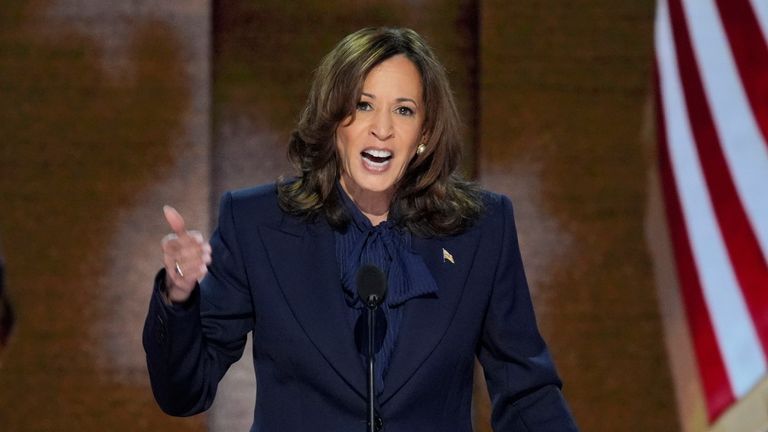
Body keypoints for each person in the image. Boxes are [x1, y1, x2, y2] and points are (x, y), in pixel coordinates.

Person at [143, 27, 578, 431]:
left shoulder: (481, 227)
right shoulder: (257, 223)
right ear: (335, 121)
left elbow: (526, 392)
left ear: (424, 132)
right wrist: (177, 297)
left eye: (403, 111)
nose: (382, 129)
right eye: (363, 105)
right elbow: (186, 392)